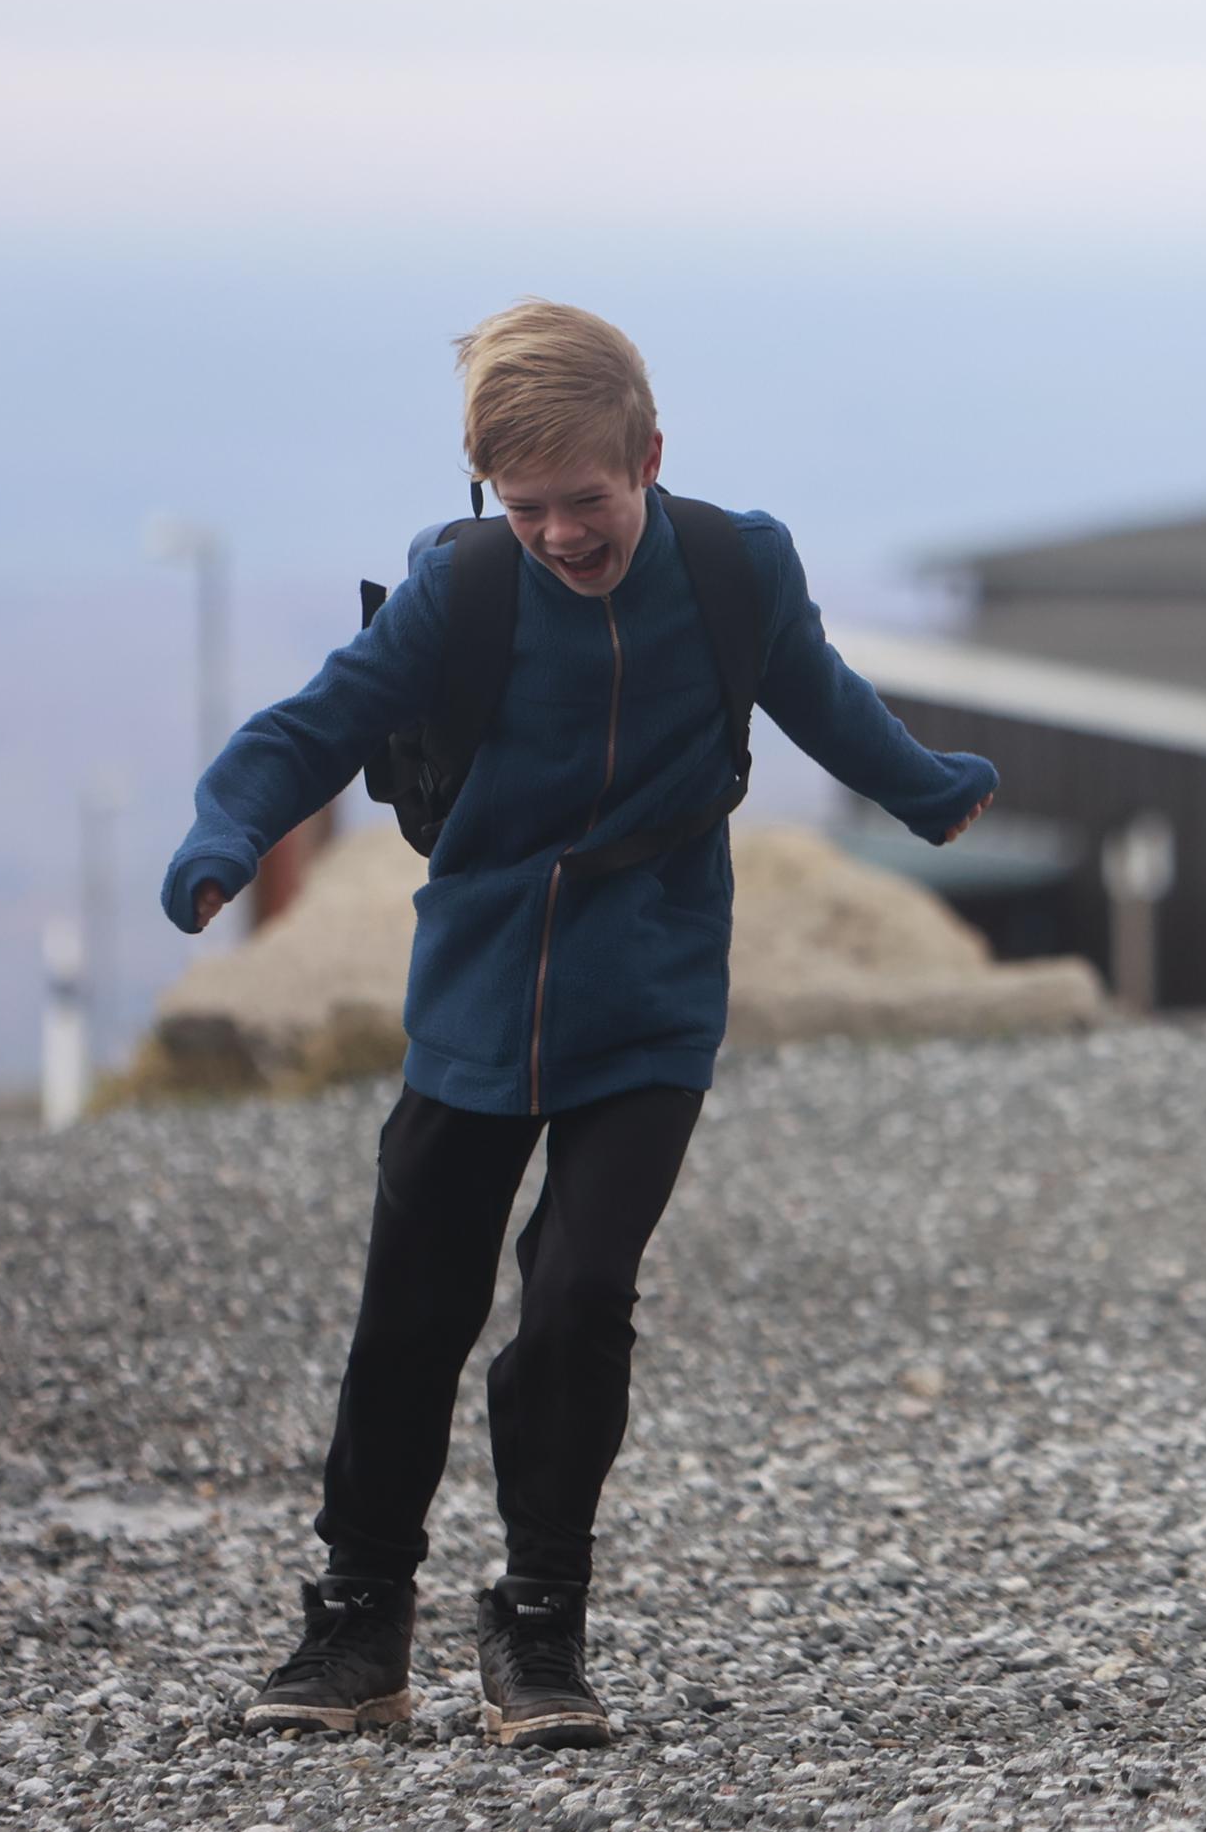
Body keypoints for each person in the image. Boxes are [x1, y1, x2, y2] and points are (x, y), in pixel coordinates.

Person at [165, 300, 997, 1747]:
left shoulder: (738, 567)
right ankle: (359, 1620)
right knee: (411, 1311)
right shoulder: (465, 590)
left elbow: (818, 695)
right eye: (525, 505)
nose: (558, 531)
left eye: (586, 501)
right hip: (480, 988)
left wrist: (926, 787)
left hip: (654, 989)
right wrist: (228, 828)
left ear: (651, 456)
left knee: (576, 1298)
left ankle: (540, 1626)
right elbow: (319, 722)